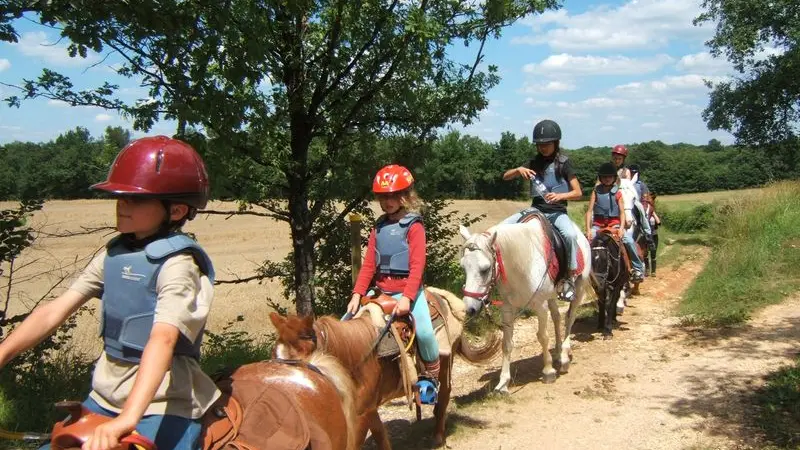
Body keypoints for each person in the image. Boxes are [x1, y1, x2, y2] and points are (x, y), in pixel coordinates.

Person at [0, 136, 220, 450]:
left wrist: (128, 419)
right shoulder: (114, 255)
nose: (122, 205)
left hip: (163, 404)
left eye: (136, 199)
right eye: (119, 196)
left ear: (177, 210)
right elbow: (55, 309)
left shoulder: (178, 266)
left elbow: (163, 339)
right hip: (103, 398)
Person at [345, 164, 440, 401]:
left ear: (406, 196)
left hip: (408, 291)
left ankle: (431, 378)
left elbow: (418, 265)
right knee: (345, 324)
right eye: (383, 197)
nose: (388, 202)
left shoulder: (414, 226)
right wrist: (357, 294)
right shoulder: (378, 227)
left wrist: (408, 297)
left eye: (394, 196)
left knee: (426, 333)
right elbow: (368, 265)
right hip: (380, 292)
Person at [500, 119, 584, 302]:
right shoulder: (532, 162)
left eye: (547, 144)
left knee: (569, 235)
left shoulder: (564, 163)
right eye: (540, 145)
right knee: (502, 228)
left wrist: (560, 196)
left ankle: (569, 276)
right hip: (536, 210)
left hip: (557, 212)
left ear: (556, 143)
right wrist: (518, 169)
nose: (543, 148)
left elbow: (578, 192)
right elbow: (505, 177)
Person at [586, 163, 646, 280]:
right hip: (598, 225)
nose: (607, 179)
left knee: (628, 241)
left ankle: (637, 269)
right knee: (586, 242)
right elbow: (589, 212)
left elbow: (622, 212)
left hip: (615, 224)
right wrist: (588, 229)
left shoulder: (618, 192)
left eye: (610, 177)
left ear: (614, 178)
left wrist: (621, 228)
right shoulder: (595, 192)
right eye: (604, 177)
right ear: (600, 178)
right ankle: (583, 271)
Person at [642, 192, 662, 277]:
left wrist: (653, 213)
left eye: (648, 198)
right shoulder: (643, 211)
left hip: (654, 235)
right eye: (645, 198)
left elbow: (659, 222)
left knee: (653, 253)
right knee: (645, 253)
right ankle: (647, 270)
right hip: (645, 235)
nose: (646, 200)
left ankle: (653, 271)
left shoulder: (652, 210)